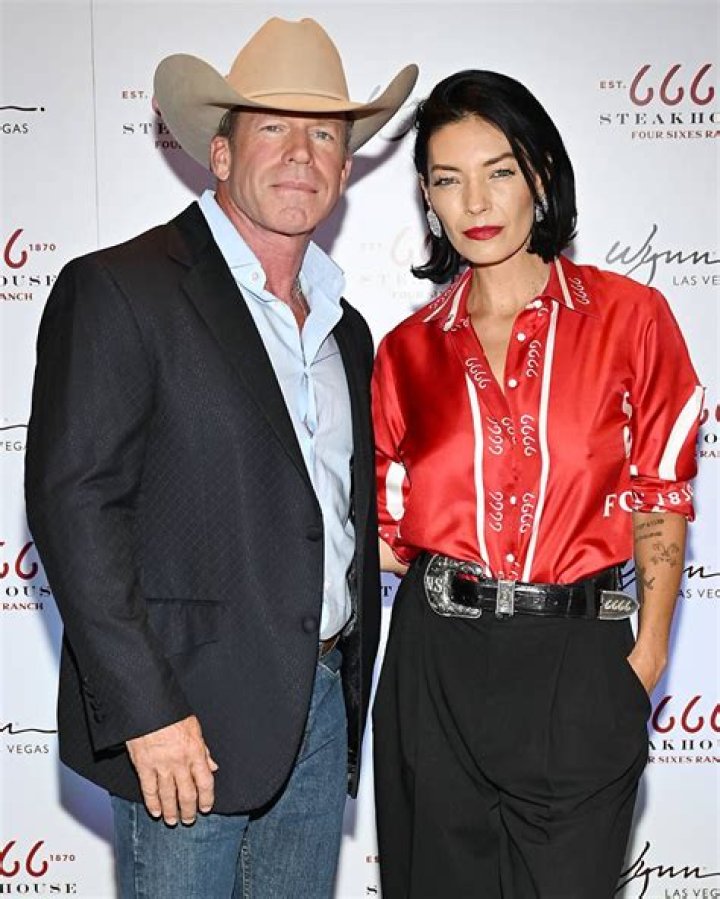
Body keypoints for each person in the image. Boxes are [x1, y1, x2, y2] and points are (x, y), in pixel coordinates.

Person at [24, 17, 417, 898]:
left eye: (325, 135)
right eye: (273, 127)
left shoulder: (347, 331)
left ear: (345, 169)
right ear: (221, 153)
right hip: (183, 720)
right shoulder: (122, 287)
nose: (302, 154)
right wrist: (147, 711)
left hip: (320, 709)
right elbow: (73, 503)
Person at [371, 69, 701, 899]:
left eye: (501, 170)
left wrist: (647, 654)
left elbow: (660, 493)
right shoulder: (406, 350)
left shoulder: (631, 318)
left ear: (542, 176)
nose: (476, 201)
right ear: (427, 198)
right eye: (449, 179)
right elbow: (384, 529)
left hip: (579, 662)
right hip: (437, 668)